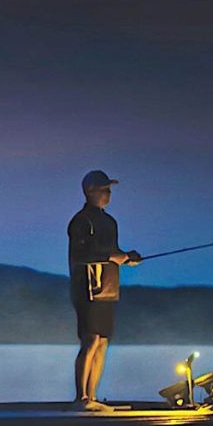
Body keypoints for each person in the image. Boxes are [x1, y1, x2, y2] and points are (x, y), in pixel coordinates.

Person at [67, 170, 141, 411]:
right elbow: (80, 255)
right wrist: (113, 255)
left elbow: (114, 251)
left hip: (109, 289)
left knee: (102, 343)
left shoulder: (110, 222)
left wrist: (127, 257)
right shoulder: (81, 221)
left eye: (109, 190)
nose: (109, 194)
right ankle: (82, 399)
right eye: (105, 189)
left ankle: (93, 397)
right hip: (88, 289)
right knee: (90, 340)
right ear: (90, 191)